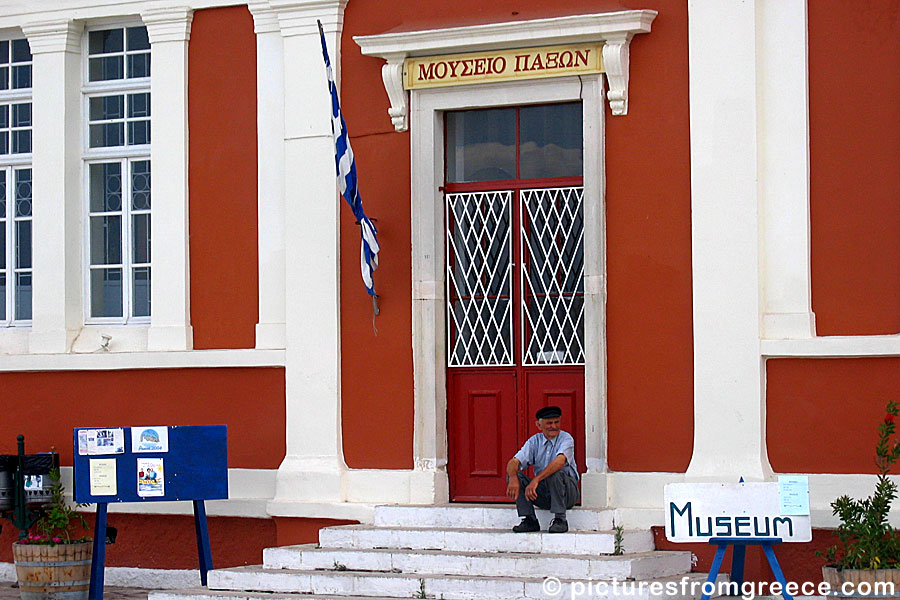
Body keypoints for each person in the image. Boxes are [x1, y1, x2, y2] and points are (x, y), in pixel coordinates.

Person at [505, 405, 580, 533]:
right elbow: (514, 462)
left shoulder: (566, 439)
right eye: (549, 423)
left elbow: (559, 462)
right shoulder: (534, 441)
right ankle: (529, 520)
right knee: (515, 475)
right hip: (545, 493)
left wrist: (536, 480)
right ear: (539, 425)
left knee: (556, 473)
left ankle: (560, 519)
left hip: (567, 493)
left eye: (557, 422)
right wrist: (512, 478)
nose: (554, 426)